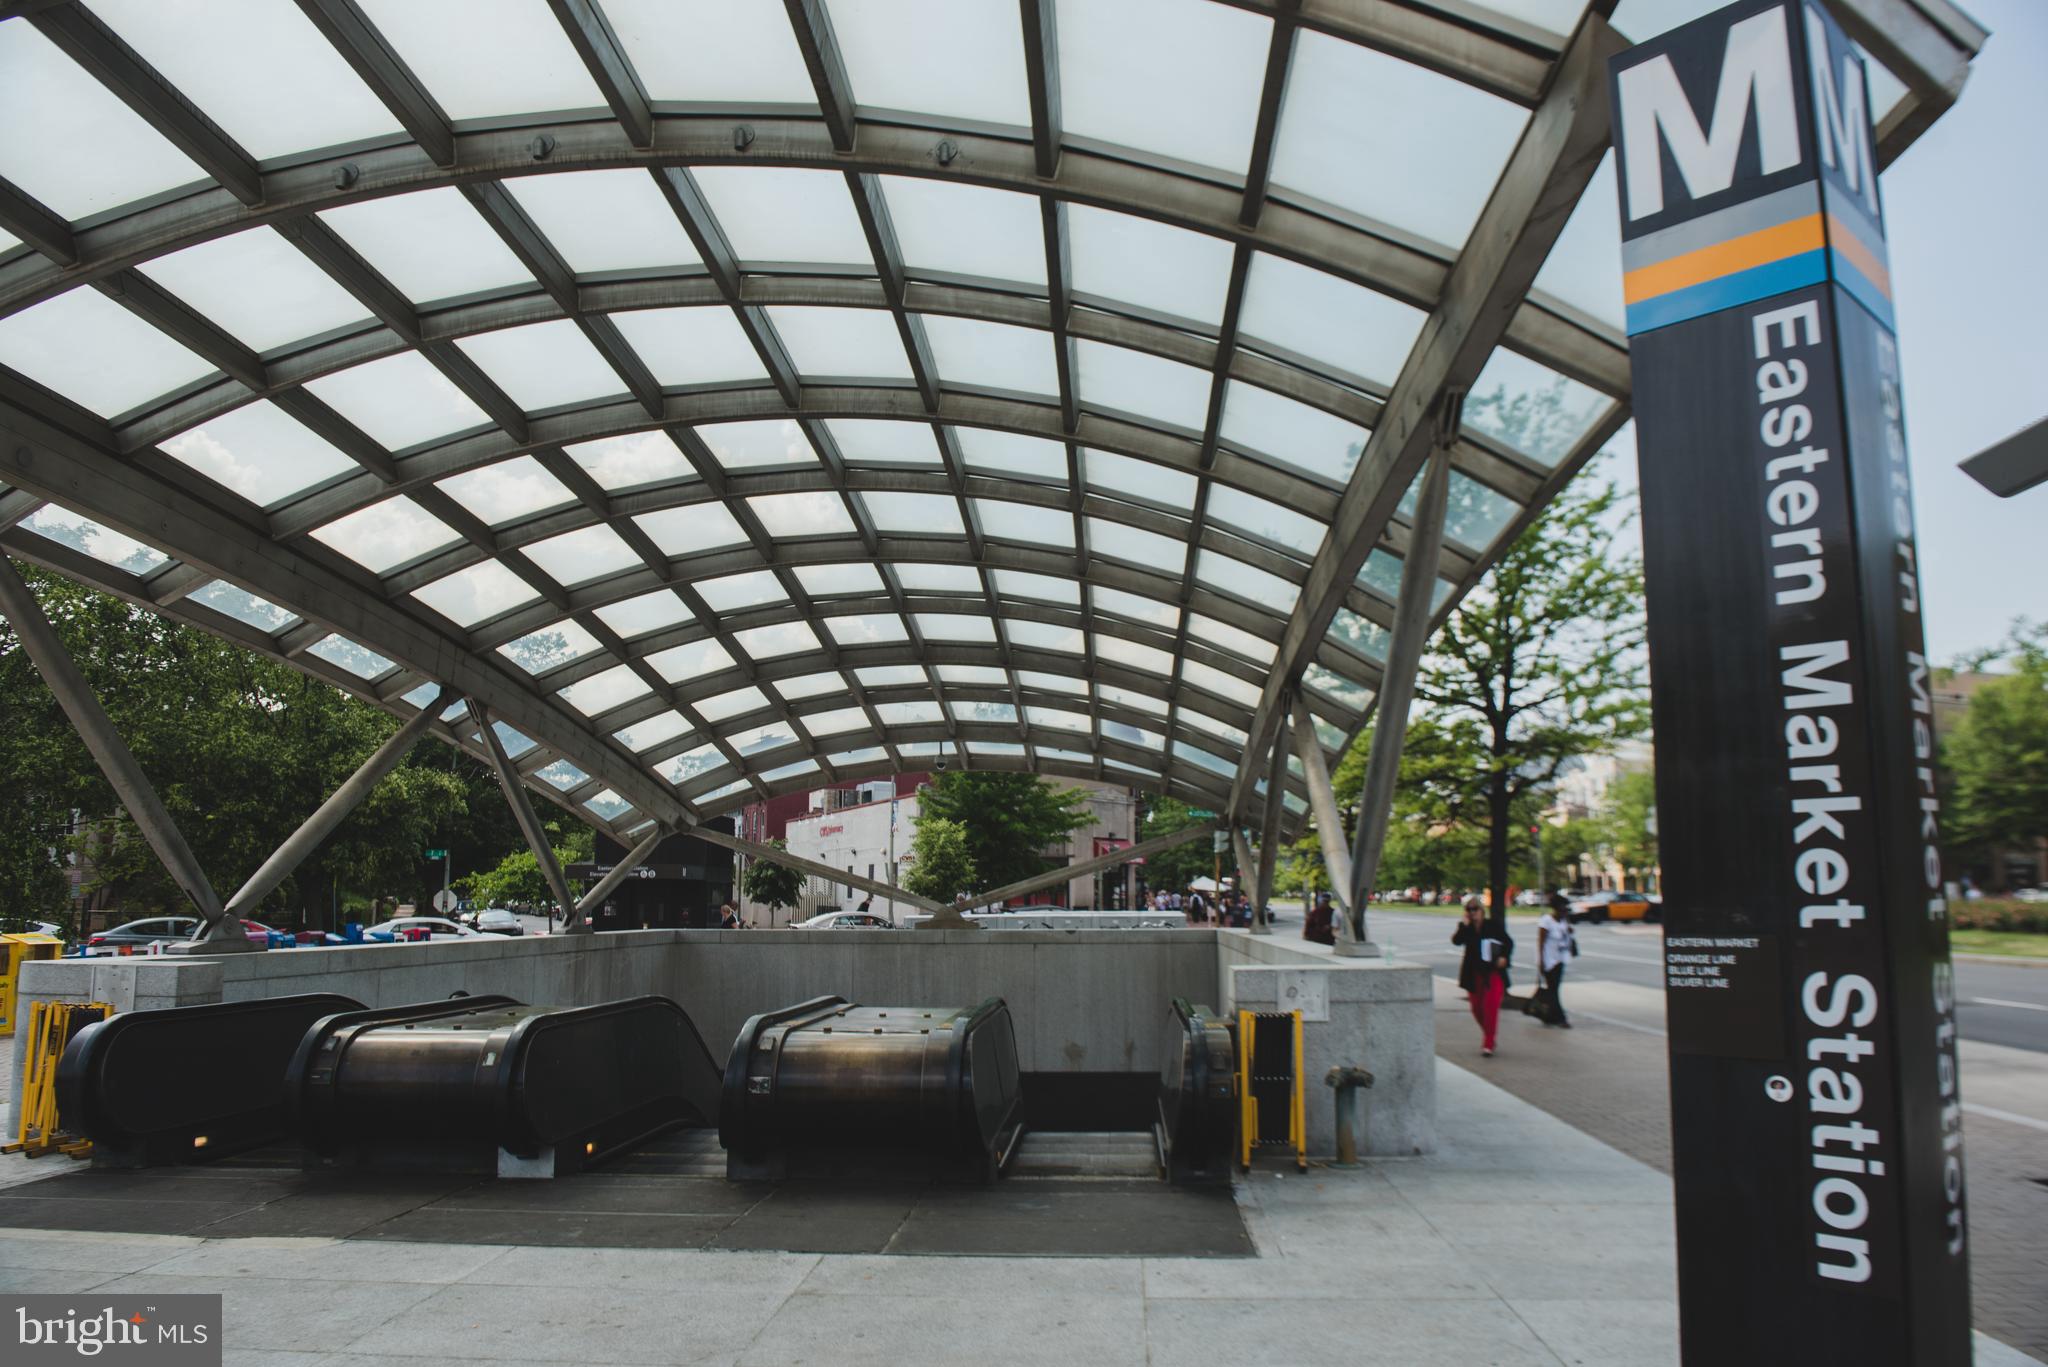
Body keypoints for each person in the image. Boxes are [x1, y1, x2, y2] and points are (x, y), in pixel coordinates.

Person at [1451, 896, 1513, 1056]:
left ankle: (1489, 1043)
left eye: (1475, 909)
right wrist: (1463, 925)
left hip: (1492, 973)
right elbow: (1456, 941)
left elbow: (1508, 942)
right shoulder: (1467, 928)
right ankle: (1489, 1035)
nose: (1472, 913)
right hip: (1473, 975)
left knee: (1490, 1007)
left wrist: (1504, 957)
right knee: (1476, 1009)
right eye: (1468, 910)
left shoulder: (1492, 925)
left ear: (1482, 910)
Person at [1535, 890, 1576, 1028]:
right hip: (1549, 961)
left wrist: (1569, 932)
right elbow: (1540, 942)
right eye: (1562, 909)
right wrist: (1540, 961)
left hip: (1561, 959)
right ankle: (1561, 1018)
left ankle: (1550, 1016)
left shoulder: (1564, 921)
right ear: (1556, 908)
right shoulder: (1546, 921)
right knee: (1553, 990)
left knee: (1554, 989)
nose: (1564, 912)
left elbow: (1567, 937)